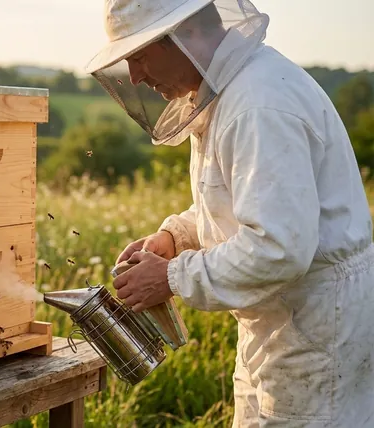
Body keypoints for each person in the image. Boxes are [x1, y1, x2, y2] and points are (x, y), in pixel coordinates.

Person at [84, 0, 374, 426]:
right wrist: (177, 237)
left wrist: (170, 277)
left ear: (184, 34)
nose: (136, 76)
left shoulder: (259, 104)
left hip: (314, 332)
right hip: (282, 325)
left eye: (140, 56)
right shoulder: (228, 92)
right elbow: (239, 203)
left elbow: (279, 247)